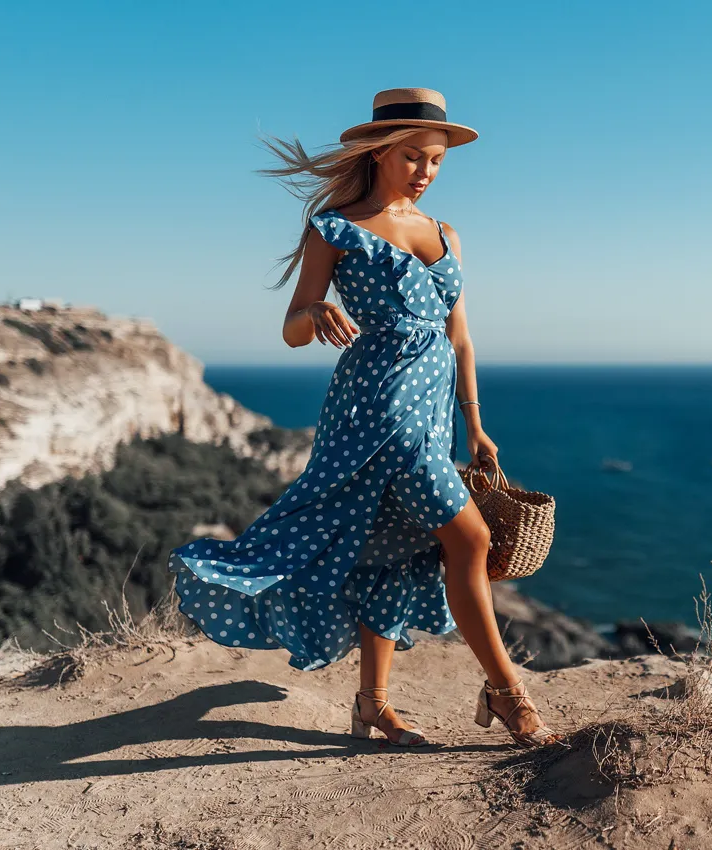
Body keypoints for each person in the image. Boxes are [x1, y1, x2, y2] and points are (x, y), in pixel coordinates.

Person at [167, 87, 562, 749]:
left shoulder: (447, 234)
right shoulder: (335, 228)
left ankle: (371, 706)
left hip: (434, 413)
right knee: (468, 541)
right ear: (380, 152)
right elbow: (292, 327)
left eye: (435, 160)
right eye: (413, 157)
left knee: (392, 551)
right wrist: (312, 314)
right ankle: (507, 693)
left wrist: (476, 425)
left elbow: (459, 336)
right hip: (375, 408)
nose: (426, 172)